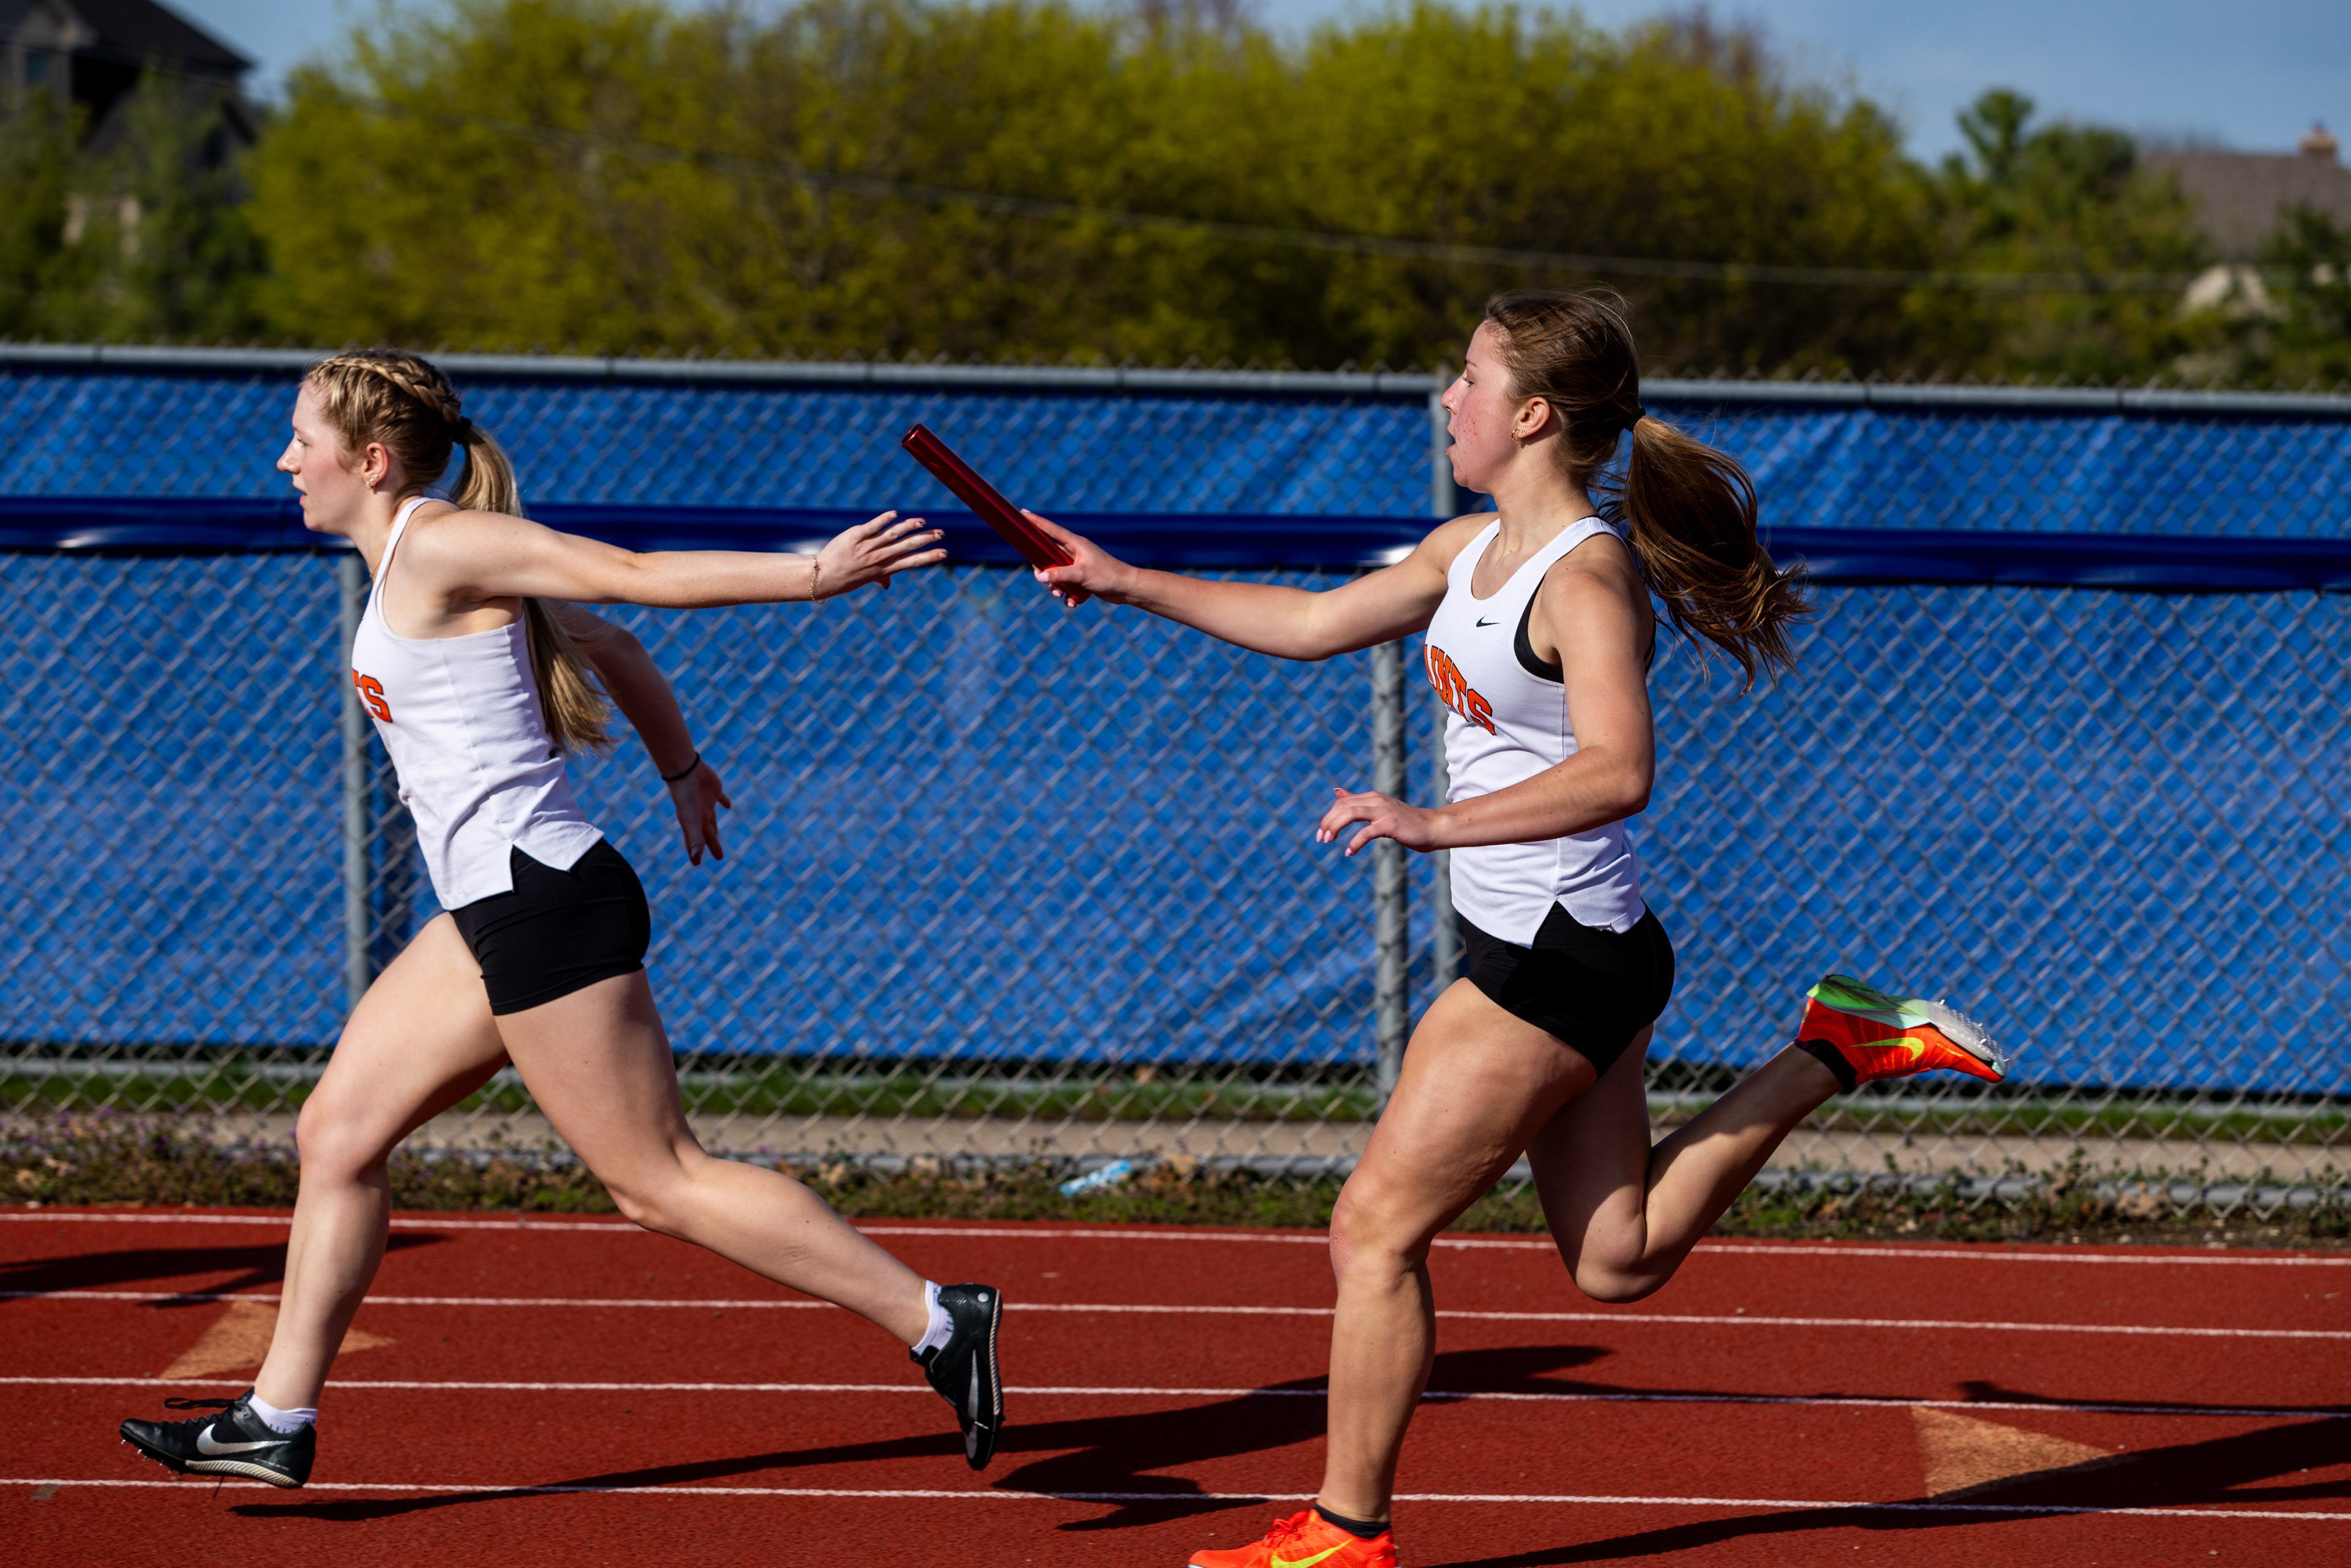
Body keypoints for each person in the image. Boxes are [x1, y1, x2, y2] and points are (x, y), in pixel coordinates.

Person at [1026, 290, 2006, 1568]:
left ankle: (1345, 1532)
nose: (1450, 397)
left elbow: (1620, 769)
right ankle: (1837, 1046)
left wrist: (1433, 823)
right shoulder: (1464, 549)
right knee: (1616, 1261)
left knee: (1373, 1230)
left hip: (1558, 962)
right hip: (1579, 946)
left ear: (1534, 414)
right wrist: (1121, 579)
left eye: (1470, 378)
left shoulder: (1586, 581)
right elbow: (1313, 625)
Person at [118, 349, 1004, 1489]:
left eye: (303, 440)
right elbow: (612, 647)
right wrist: (680, 767)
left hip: (542, 901)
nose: (287, 460)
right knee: (335, 1136)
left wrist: (816, 575)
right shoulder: (410, 562)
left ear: (372, 461)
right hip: (491, 907)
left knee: (657, 1181)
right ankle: (275, 1419)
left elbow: (633, 579)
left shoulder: (443, 543)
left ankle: (936, 1317)